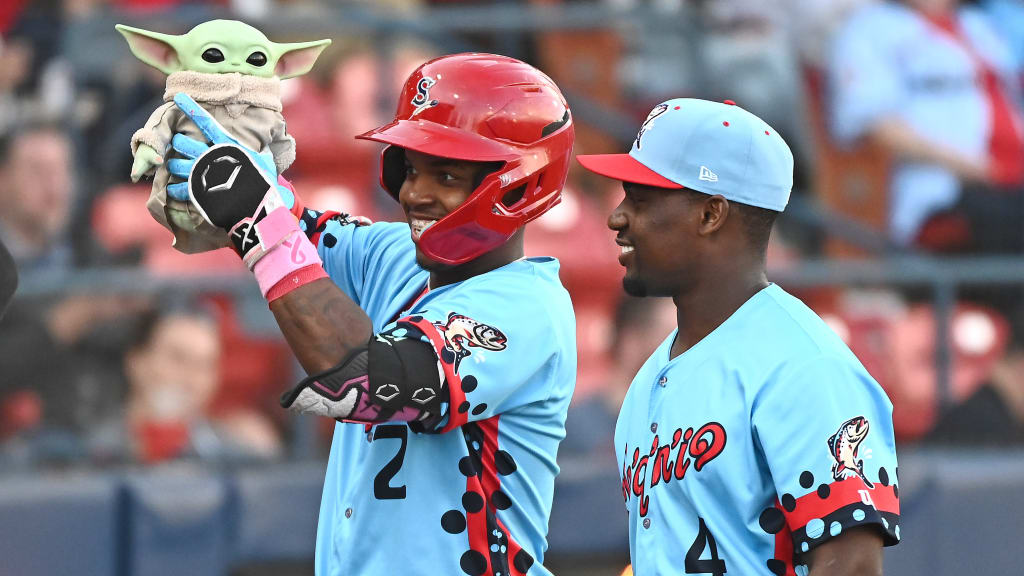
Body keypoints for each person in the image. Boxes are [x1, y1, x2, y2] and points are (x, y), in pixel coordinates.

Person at [159, 53, 576, 575]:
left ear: (519, 182)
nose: (414, 194)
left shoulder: (528, 308)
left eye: (445, 175)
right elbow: (291, 229)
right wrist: (220, 159)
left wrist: (261, 227)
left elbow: (361, 378)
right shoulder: (400, 255)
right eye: (411, 168)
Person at [577, 98, 900, 575]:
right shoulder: (650, 376)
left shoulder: (804, 367)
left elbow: (851, 565)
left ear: (711, 214)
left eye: (641, 200)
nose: (617, 217)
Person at [87, 300, 282, 465]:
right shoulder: (90, 452)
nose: (191, 379)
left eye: (205, 365)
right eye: (178, 358)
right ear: (137, 361)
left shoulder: (238, 457)